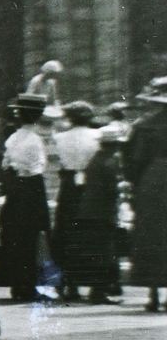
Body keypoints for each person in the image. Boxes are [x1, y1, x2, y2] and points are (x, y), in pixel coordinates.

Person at [0, 93, 55, 303]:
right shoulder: (35, 140)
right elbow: (37, 168)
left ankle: (17, 283)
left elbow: (5, 165)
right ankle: (29, 284)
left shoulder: (13, 137)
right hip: (31, 188)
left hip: (15, 189)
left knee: (14, 235)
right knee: (33, 236)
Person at [61, 126, 126, 305]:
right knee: (105, 252)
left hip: (88, 211)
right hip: (104, 212)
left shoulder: (95, 159)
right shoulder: (111, 162)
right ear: (114, 145)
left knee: (89, 250)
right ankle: (99, 291)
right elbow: (112, 189)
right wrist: (124, 188)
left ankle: (75, 286)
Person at [126, 76, 167, 312]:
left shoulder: (144, 125)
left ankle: (153, 293)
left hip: (153, 181)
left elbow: (135, 160)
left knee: (152, 234)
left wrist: (135, 184)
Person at [51, 101, 100, 299]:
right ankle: (91, 282)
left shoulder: (60, 137)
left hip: (69, 185)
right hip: (90, 185)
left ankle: (67, 283)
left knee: (65, 232)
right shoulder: (97, 136)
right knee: (89, 233)